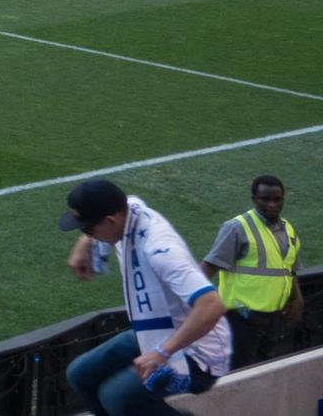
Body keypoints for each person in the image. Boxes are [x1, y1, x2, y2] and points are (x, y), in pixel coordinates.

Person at [62, 178, 229, 414]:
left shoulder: (160, 250)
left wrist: (162, 353)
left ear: (110, 221)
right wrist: (85, 241)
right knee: (80, 375)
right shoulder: (128, 210)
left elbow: (212, 305)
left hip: (198, 352)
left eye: (88, 228)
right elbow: (127, 200)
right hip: (158, 331)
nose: (87, 232)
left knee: (118, 397)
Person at [202, 175, 301, 369]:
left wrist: (297, 298)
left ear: (283, 199)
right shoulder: (237, 228)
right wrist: (188, 301)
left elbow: (289, 269)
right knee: (242, 373)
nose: (271, 204)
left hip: (274, 316)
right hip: (242, 317)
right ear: (254, 199)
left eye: (277, 199)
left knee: (266, 371)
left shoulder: (288, 229)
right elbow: (208, 267)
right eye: (265, 199)